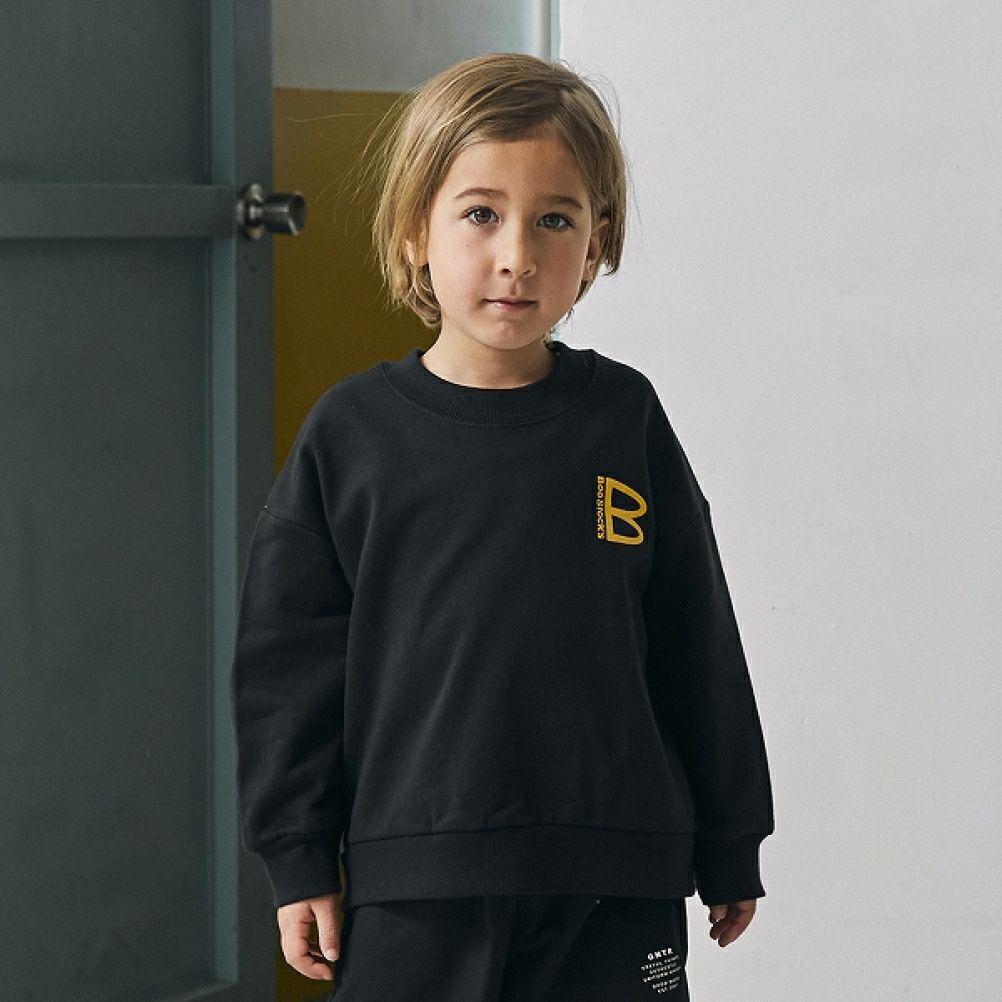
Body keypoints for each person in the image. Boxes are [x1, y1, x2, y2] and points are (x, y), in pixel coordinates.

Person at [231, 52, 774, 1001]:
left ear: (598, 243)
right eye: (480, 214)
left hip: (616, 878)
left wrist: (732, 839)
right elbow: (288, 668)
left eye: (554, 219)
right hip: (416, 883)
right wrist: (298, 854)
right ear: (415, 229)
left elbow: (698, 639)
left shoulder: (625, 419)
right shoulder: (352, 436)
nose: (517, 254)